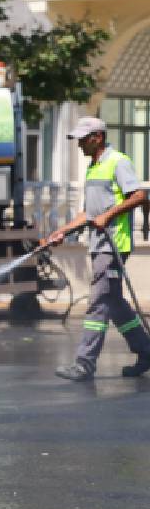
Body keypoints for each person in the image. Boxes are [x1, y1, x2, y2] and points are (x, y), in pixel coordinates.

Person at [42, 116, 150, 382]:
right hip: (99, 244)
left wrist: (109, 216)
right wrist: (63, 231)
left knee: (98, 303)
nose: (79, 143)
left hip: (114, 245)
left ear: (97, 137)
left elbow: (138, 195)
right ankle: (146, 351)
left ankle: (85, 364)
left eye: (83, 138)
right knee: (114, 303)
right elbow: (88, 214)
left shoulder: (118, 162)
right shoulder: (93, 168)